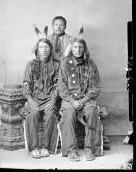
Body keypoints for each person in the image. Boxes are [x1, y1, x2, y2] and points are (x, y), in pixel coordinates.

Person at [57, 30, 103, 162]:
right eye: (75, 47)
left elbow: (95, 87)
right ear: (71, 48)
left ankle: (90, 149)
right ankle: (71, 151)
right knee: (69, 113)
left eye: (80, 47)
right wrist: (72, 100)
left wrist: (82, 101)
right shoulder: (65, 64)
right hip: (69, 100)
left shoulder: (91, 64)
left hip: (87, 99)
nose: (78, 49)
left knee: (91, 112)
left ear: (84, 49)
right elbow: (62, 87)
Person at [22, 33, 60, 159]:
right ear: (37, 50)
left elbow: (57, 86)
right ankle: (34, 148)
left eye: (46, 47)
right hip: (34, 98)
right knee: (32, 115)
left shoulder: (56, 65)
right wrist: (30, 101)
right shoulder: (31, 64)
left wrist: (53, 101)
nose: (44, 50)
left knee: (50, 115)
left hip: (50, 98)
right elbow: (26, 83)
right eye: (41, 47)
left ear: (50, 50)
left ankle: (46, 147)